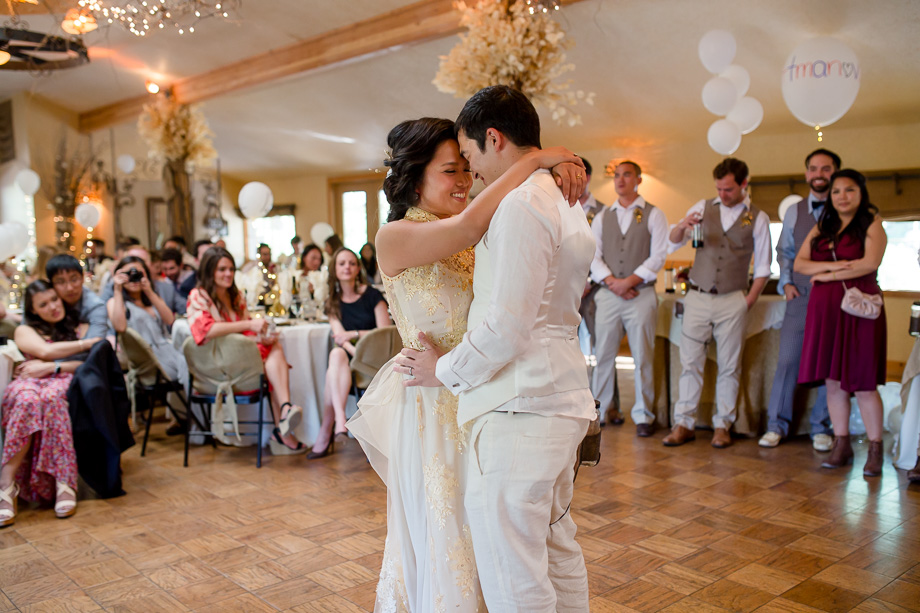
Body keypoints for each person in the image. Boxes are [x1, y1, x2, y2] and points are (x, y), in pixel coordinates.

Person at [346, 114, 584, 610]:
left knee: (497, 541)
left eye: (466, 170)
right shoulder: (394, 236)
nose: (466, 181)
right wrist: (536, 158)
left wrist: (545, 176)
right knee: (449, 529)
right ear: (414, 179)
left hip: (481, 390)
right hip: (432, 406)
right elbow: (471, 223)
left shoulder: (477, 221)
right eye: (450, 171)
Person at [663, 158, 772, 449]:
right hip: (697, 296)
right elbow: (671, 242)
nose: (722, 195)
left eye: (728, 189)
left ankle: (722, 425)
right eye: (719, 189)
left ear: (744, 184)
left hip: (733, 299)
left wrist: (746, 301)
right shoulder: (702, 207)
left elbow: (763, 268)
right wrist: (683, 225)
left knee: (729, 366)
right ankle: (683, 423)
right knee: (690, 363)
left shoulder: (758, 218)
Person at [796, 169, 888, 476]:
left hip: (859, 308)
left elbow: (869, 263)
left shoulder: (872, 224)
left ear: (861, 193)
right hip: (826, 311)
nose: (842, 196)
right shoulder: (823, 225)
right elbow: (800, 263)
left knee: (863, 382)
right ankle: (841, 444)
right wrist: (834, 267)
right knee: (832, 381)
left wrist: (827, 274)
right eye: (836, 191)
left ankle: (875, 449)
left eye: (849, 190)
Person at [186, 247, 306, 454]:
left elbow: (246, 336)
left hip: (242, 361)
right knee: (273, 358)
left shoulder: (236, 296)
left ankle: (285, 417)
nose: (228, 274)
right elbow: (206, 330)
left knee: (272, 347)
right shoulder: (198, 295)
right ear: (209, 271)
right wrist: (249, 326)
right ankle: (283, 424)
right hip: (217, 367)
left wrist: (261, 336)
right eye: (222, 269)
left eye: (231, 269)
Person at [0, 281, 102, 526]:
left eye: (54, 300)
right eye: (43, 305)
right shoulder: (24, 330)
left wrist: (55, 366)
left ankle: (63, 481)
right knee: (26, 400)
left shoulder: (80, 326)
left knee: (53, 399)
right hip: (29, 381)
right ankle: (6, 484)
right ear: (34, 310)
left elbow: (88, 364)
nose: (53, 307)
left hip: (61, 378)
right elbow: (44, 351)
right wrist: (85, 344)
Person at [760, 149, 840, 451]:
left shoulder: (845, 207)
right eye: (814, 168)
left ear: (835, 172)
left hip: (834, 297)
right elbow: (786, 252)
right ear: (807, 173)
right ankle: (776, 425)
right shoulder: (794, 210)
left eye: (826, 168)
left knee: (830, 364)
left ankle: (822, 427)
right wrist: (787, 283)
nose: (819, 174)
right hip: (801, 295)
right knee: (788, 360)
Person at [590, 160, 668, 437]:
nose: (620, 180)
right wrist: (614, 283)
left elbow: (658, 255)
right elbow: (593, 255)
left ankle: (644, 414)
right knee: (603, 356)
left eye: (627, 175)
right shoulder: (602, 217)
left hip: (641, 295)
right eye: (617, 176)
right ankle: (598, 412)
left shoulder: (654, 215)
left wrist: (630, 282)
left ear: (638, 179)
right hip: (609, 295)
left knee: (643, 355)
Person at [308, 247, 390, 459]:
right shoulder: (332, 303)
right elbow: (339, 339)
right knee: (336, 355)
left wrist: (355, 334)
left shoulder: (373, 295)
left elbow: (384, 332)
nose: (347, 267)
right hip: (349, 357)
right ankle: (339, 419)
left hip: (374, 356)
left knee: (332, 369)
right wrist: (353, 349)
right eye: (342, 263)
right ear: (334, 270)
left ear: (357, 269)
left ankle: (331, 427)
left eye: (352, 263)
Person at [106, 256, 188, 435]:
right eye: (128, 274)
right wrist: (118, 289)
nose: (133, 278)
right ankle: (192, 418)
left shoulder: (151, 297)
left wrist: (149, 290)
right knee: (192, 368)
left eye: (137, 273)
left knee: (195, 361)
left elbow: (170, 320)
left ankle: (189, 417)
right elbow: (119, 326)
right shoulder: (116, 302)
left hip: (169, 350)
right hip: (150, 361)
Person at [46, 254, 109, 343]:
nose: (69, 288)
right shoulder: (46, 302)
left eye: (74, 280)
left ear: (83, 278)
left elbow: (95, 344)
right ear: (51, 283)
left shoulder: (95, 306)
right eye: (61, 282)